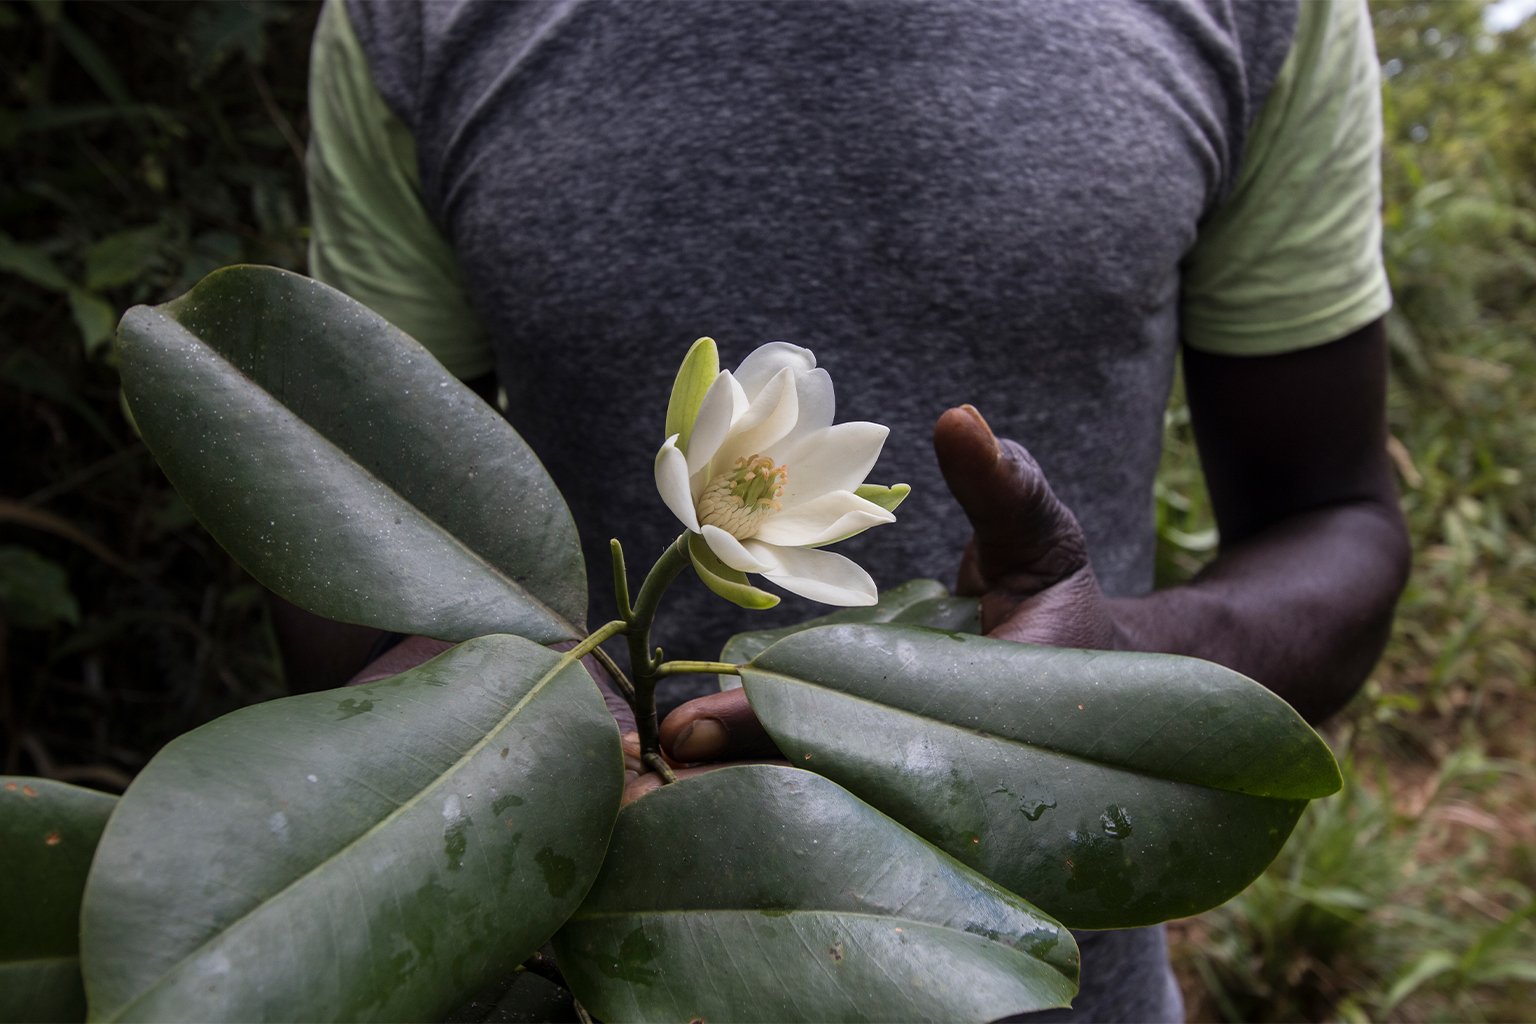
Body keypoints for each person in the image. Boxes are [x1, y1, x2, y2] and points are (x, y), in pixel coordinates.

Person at [297, 1, 1411, 1019]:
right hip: (576, 971)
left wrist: (1105, 677)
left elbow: (1339, 524)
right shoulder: (412, 20)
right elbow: (336, 503)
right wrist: (518, 720)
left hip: (1046, 986)